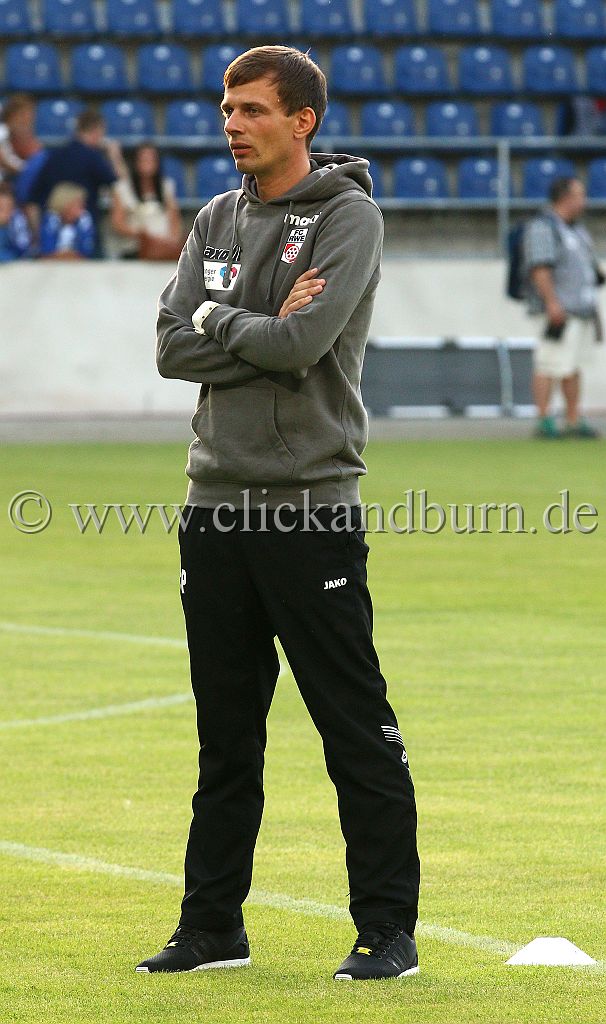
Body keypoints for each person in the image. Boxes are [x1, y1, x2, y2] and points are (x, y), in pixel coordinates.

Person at [136, 46, 420, 983]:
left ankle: (387, 932)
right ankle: (212, 927)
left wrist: (220, 320)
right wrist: (248, 328)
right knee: (226, 737)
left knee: (354, 728)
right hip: (213, 509)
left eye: (252, 109)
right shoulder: (216, 218)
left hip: (308, 512)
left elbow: (302, 344)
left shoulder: (348, 217)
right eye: (227, 108)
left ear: (302, 120)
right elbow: (169, 346)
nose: (232, 124)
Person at [524, 176, 603, 438]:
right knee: (548, 364)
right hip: (558, 311)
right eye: (580, 195)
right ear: (565, 198)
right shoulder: (543, 227)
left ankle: (572, 418)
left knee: (572, 366)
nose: (584, 201)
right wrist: (552, 303)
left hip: (580, 311)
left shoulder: (577, 230)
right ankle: (544, 418)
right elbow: (540, 268)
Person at [25, 109, 125, 248]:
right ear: (96, 130)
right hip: (83, 234)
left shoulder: (54, 156)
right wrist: (115, 155)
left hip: (52, 235)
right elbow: (117, 182)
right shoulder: (93, 157)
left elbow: (33, 200)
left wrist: (37, 235)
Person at [110, 143, 183, 260]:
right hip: (135, 250)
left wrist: (170, 241)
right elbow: (118, 223)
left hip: (164, 250)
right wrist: (141, 235)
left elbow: (175, 220)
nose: (147, 163)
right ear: (135, 162)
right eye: (143, 159)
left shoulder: (166, 186)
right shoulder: (123, 188)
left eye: (151, 159)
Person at [39, 182, 95, 259]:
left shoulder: (84, 219)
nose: (82, 209)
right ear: (65, 204)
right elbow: (46, 252)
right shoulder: (50, 219)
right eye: (78, 205)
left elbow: (86, 252)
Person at [0, 183, 32, 261]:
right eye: (1, 208)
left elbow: (23, 248)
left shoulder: (17, 222)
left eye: (9, 207)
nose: (6, 212)